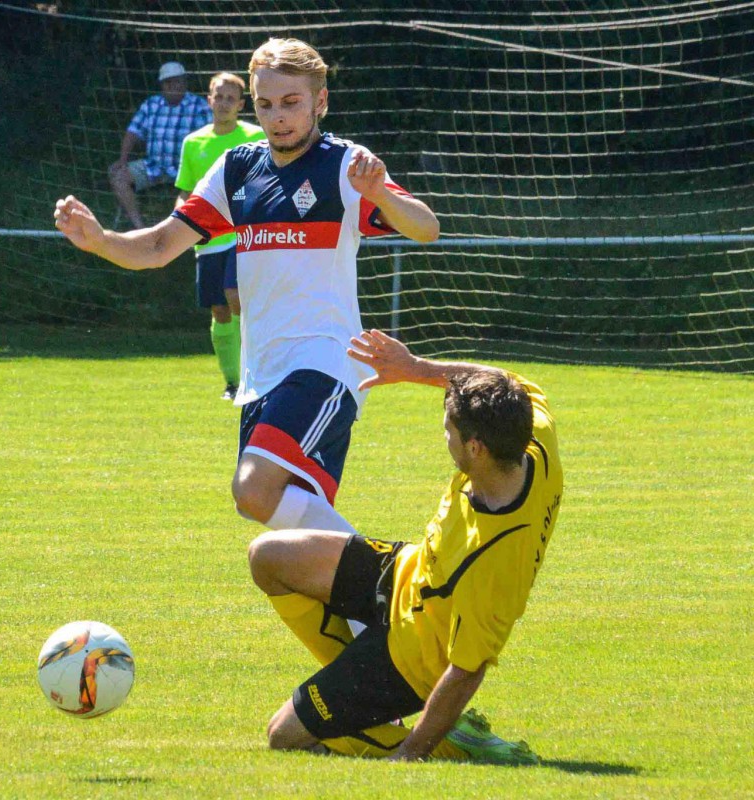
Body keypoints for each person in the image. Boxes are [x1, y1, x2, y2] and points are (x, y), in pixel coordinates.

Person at [56, 38, 438, 536]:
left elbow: (426, 227)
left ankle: (385, 574)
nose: (277, 116)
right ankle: (373, 606)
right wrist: (101, 240)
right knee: (282, 526)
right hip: (264, 374)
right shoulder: (238, 167)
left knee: (253, 488)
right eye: (265, 104)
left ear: (320, 102)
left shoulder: (346, 165)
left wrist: (380, 193)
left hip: (325, 361)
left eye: (291, 102)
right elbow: (157, 247)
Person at [246, 328, 562, 762]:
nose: (444, 436)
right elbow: (504, 379)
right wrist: (417, 369)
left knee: (282, 735)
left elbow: (466, 671)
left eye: (449, 431)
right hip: (405, 573)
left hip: (412, 659)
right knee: (268, 558)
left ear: (476, 447)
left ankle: (454, 744)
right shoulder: (530, 433)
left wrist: (412, 753)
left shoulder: (494, 562)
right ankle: (355, 684)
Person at [174, 72, 266, 400]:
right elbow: (186, 193)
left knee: (236, 295)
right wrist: (181, 225)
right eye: (219, 96)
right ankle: (232, 382)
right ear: (209, 99)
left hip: (245, 235)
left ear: (241, 105)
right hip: (209, 238)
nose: (224, 103)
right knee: (220, 309)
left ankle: (255, 375)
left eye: (231, 98)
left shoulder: (256, 137)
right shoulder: (193, 143)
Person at [110, 61, 211, 229]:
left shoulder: (200, 106)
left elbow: (212, 136)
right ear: (162, 84)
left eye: (177, 81)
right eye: (168, 82)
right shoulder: (151, 104)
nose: (173, 85)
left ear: (184, 82)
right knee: (119, 176)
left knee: (206, 184)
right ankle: (139, 228)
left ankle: (189, 231)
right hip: (153, 165)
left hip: (186, 169)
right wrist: (123, 159)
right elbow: (133, 132)